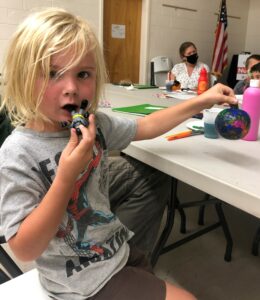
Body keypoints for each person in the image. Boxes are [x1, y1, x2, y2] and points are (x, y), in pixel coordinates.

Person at [0, 8, 238, 300]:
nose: (71, 89)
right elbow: (24, 248)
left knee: (149, 178)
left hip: (114, 249)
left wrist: (201, 100)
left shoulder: (93, 123)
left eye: (83, 74)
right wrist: (66, 177)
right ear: (23, 78)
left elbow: (146, 125)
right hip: (80, 279)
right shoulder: (17, 153)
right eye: (52, 74)